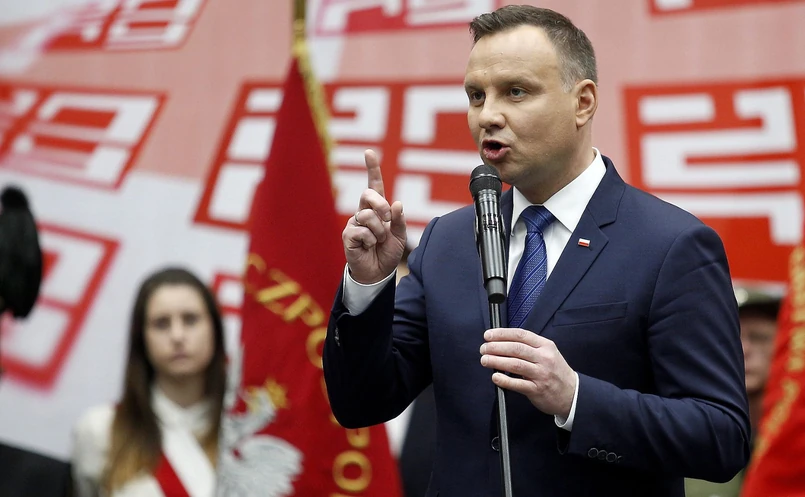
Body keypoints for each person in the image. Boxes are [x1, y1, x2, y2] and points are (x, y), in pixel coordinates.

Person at [323, 5, 751, 496]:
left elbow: (721, 438)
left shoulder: (671, 245)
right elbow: (360, 403)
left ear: (583, 102)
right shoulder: (448, 242)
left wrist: (575, 399)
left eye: (516, 92)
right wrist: (367, 285)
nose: (488, 115)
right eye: (476, 95)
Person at [71, 267, 227, 497]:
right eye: (161, 324)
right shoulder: (101, 430)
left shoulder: (246, 433)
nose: (177, 336)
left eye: (190, 320)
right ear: (141, 337)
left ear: (215, 329)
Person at [685, 286, 782, 497]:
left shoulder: (796, 439)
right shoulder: (686, 437)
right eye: (730, 338)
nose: (743, 350)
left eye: (759, 337)